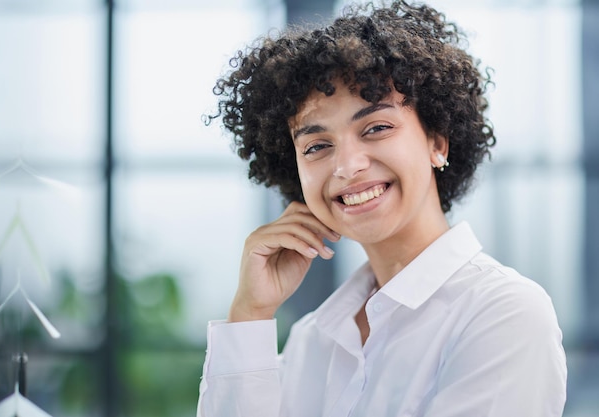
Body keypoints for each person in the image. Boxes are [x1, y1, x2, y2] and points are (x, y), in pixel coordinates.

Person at [197, 1, 567, 416]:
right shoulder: (312, 341)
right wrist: (250, 313)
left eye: (376, 128)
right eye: (317, 146)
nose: (346, 166)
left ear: (437, 142)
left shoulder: (503, 314)